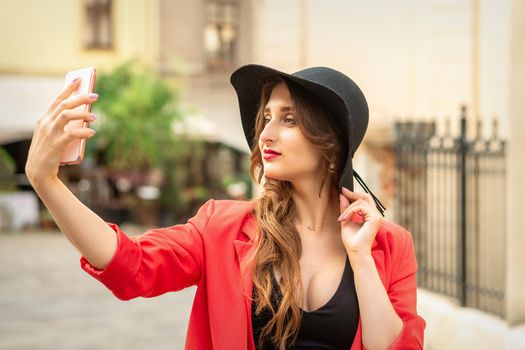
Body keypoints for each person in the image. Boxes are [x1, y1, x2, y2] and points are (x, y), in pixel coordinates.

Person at [25, 64, 426, 350]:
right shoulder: (223, 226)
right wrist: (47, 182)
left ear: (331, 142)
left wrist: (361, 257)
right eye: (265, 117)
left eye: (288, 119)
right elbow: (133, 267)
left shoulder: (389, 246)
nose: (265, 133)